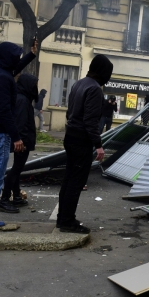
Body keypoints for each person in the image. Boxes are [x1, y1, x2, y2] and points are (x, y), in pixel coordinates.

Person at [56, 54, 113, 234]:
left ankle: (62, 218)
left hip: (70, 136)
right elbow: (90, 121)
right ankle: (67, 220)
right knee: (77, 181)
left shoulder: (78, 83)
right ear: (103, 72)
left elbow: (70, 112)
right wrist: (98, 145)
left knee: (69, 179)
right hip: (81, 140)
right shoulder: (95, 89)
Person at [0, 41, 38, 228]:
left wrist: (31, 54)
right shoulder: (3, 79)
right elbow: (5, 112)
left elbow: (14, 67)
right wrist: (17, 137)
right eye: (16, 57)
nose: (17, 61)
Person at [0, 74, 39, 213]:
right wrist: (21, 141)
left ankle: (16, 196)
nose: (35, 88)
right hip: (23, 141)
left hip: (22, 140)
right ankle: (4, 199)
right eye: (34, 85)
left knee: (17, 169)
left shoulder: (21, 98)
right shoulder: (22, 100)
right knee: (16, 170)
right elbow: (21, 123)